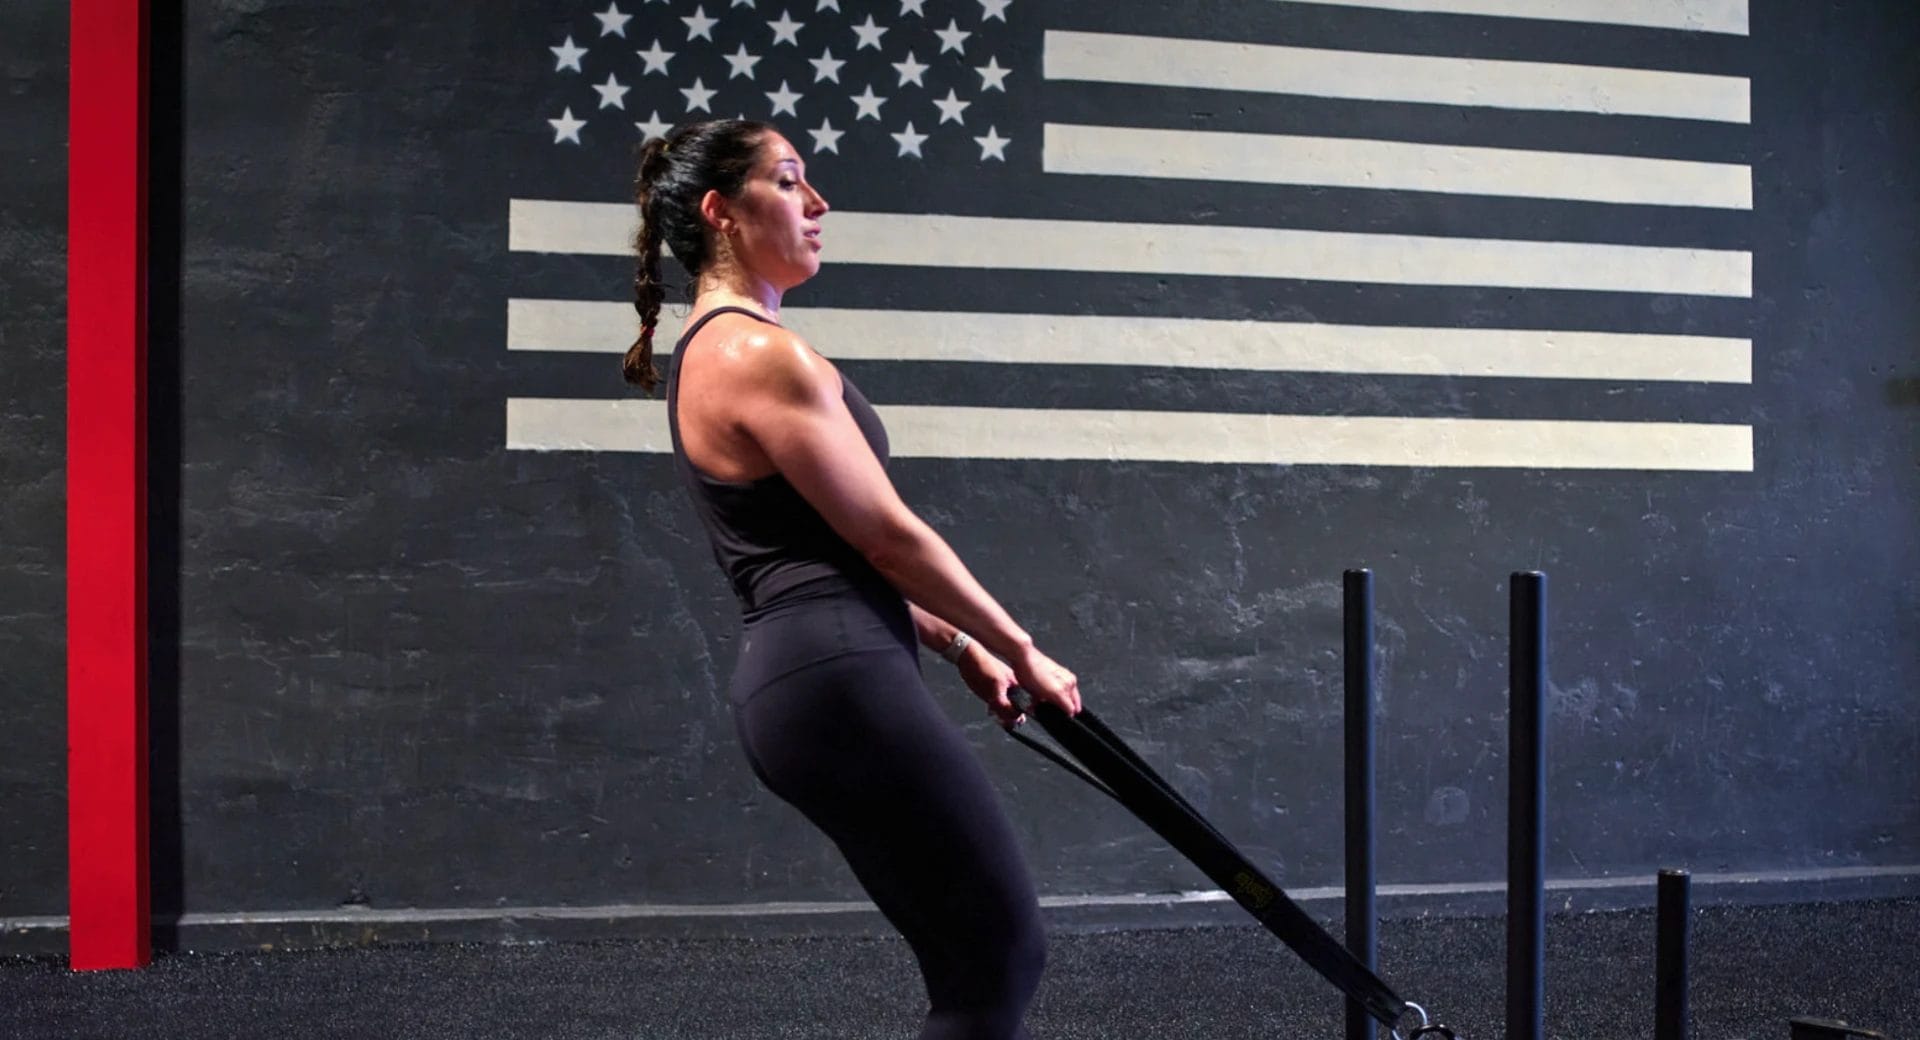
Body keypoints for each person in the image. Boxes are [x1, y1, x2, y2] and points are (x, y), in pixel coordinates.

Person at [622, 118, 1084, 1040]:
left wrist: (955, 642)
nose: (818, 203)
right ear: (721, 211)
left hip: (821, 671)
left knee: (979, 960)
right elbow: (887, 539)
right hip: (833, 678)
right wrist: (1018, 645)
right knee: (994, 957)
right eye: (789, 182)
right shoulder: (755, 354)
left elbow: (819, 542)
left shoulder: (722, 352)